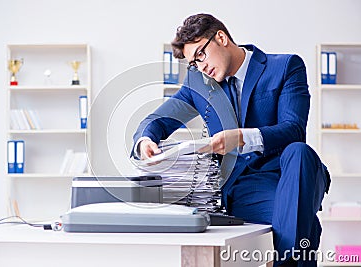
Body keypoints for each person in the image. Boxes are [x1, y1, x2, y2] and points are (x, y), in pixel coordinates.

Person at [131, 13, 330, 267]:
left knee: (300, 152)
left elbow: (293, 129)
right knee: (303, 221)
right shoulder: (199, 84)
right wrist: (145, 140)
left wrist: (242, 138)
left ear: (221, 38)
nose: (200, 67)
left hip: (294, 172)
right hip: (247, 187)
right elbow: (157, 120)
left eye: (200, 55)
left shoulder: (286, 67)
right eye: (193, 63)